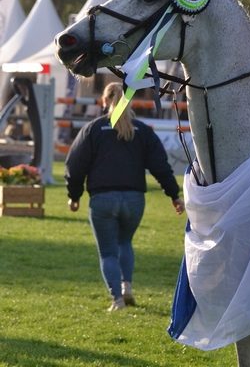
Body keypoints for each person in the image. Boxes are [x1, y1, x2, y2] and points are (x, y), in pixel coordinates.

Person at [65, 82, 184, 312]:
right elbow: (160, 166)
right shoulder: (142, 131)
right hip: (134, 199)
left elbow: (75, 164)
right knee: (125, 243)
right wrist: (173, 195)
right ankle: (127, 286)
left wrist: (74, 195)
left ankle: (117, 300)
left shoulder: (94, 129)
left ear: (104, 101)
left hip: (102, 199)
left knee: (108, 252)